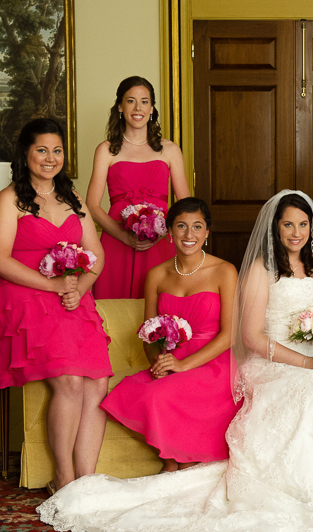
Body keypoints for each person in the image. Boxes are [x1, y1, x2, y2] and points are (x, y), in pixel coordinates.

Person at [38, 190, 313, 532]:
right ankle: (169, 461)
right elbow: (179, 331)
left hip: (257, 356)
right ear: (169, 231)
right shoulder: (243, 270)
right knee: (143, 393)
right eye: (287, 224)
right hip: (254, 356)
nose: (296, 231)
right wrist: (159, 354)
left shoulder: (303, 267)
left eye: (302, 224)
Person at [0, 118, 112, 496]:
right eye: (42, 150)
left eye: (57, 150)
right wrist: (54, 285)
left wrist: (79, 286)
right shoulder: (11, 199)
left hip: (72, 295)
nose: (50, 158)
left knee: (98, 381)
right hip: (26, 294)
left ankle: (85, 482)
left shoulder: (73, 198)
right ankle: (64, 479)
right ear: (25, 154)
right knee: (70, 381)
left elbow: (97, 255)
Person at [100, 197, 241, 470]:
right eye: (181, 226)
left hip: (214, 363)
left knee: (159, 396)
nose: (190, 235)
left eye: (197, 227)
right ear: (169, 231)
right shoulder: (156, 275)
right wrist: (157, 363)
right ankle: (175, 465)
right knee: (137, 391)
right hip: (171, 360)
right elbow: (148, 333)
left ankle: (176, 465)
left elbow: (230, 335)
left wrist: (183, 364)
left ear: (207, 232)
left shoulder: (224, 270)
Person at [88, 76, 191, 299]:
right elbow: (92, 205)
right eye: (131, 101)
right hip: (117, 242)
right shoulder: (106, 150)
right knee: (115, 309)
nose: (138, 108)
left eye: (144, 101)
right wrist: (123, 236)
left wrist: (163, 231)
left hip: (161, 243)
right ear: (120, 107)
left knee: (162, 309)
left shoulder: (170, 150)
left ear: (152, 108)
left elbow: (186, 206)